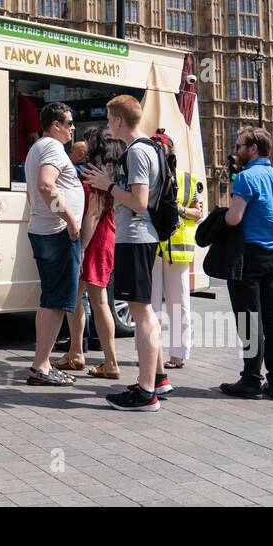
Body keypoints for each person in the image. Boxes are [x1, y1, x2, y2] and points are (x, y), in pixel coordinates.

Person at [86, 94, 168, 411]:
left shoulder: (136, 153)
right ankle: (156, 378)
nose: (108, 125)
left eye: (109, 119)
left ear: (119, 120)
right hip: (144, 237)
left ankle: (147, 392)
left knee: (141, 314)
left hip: (135, 236)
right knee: (145, 311)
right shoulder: (153, 147)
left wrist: (108, 185)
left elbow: (139, 202)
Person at [219, 126, 273, 400]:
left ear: (253, 149)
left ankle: (250, 379)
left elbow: (235, 218)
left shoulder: (246, 178)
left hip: (248, 255)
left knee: (249, 320)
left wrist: (220, 220)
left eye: (239, 146)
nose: (236, 151)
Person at [24, 102, 84, 386]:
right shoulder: (51, 147)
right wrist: (70, 219)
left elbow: (35, 191)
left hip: (45, 229)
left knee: (49, 299)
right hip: (58, 233)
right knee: (57, 301)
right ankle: (41, 366)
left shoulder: (38, 148)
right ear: (55, 125)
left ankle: (42, 363)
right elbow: (46, 185)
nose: (72, 128)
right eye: (69, 123)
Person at [55, 127, 122, 379]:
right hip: (102, 237)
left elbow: (93, 212)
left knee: (94, 299)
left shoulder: (96, 172)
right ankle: (77, 353)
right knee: (85, 297)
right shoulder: (109, 170)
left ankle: (108, 361)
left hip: (94, 239)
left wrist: (81, 247)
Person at [154, 150, 200, 370]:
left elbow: (198, 212)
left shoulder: (187, 179)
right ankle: (151, 351)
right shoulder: (149, 176)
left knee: (179, 303)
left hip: (176, 247)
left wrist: (178, 208)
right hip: (153, 248)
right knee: (150, 304)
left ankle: (178, 354)